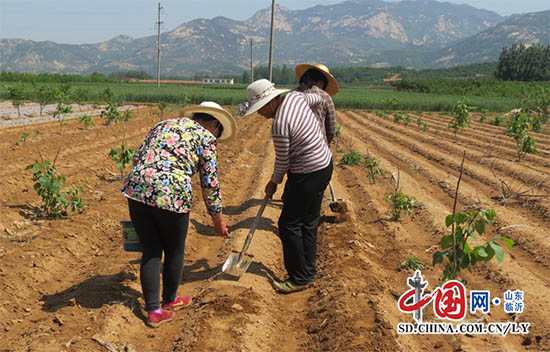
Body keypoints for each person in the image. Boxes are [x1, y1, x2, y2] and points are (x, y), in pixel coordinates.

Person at [121, 101, 235, 327]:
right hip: (171, 194)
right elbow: (210, 184)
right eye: (218, 133)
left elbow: (138, 158)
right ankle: (170, 301)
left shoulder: (163, 124)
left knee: (151, 249)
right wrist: (218, 222)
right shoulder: (206, 137)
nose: (217, 137)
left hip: (137, 188)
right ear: (214, 124)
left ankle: (153, 310)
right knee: (174, 249)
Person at [240, 79, 333, 294]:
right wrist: (314, 129)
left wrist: (273, 182)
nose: (260, 115)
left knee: (288, 224)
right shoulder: (296, 97)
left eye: (260, 109)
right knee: (309, 221)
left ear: (270, 103)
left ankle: (299, 277)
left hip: (306, 174)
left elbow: (283, 162)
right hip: (324, 165)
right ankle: (308, 271)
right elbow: (319, 98)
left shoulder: (280, 125)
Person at [295, 63, 338, 145]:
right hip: (318, 148)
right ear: (321, 83)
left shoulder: (290, 95)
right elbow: (331, 130)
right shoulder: (325, 97)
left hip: (295, 150)